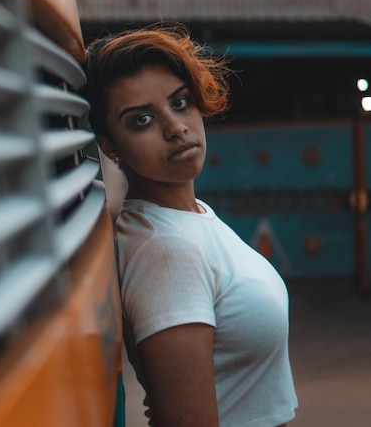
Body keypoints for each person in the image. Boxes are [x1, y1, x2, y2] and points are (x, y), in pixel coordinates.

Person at [84, 26, 297, 427]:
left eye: (180, 103)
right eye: (142, 119)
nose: (175, 127)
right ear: (110, 144)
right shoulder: (165, 248)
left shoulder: (193, 216)